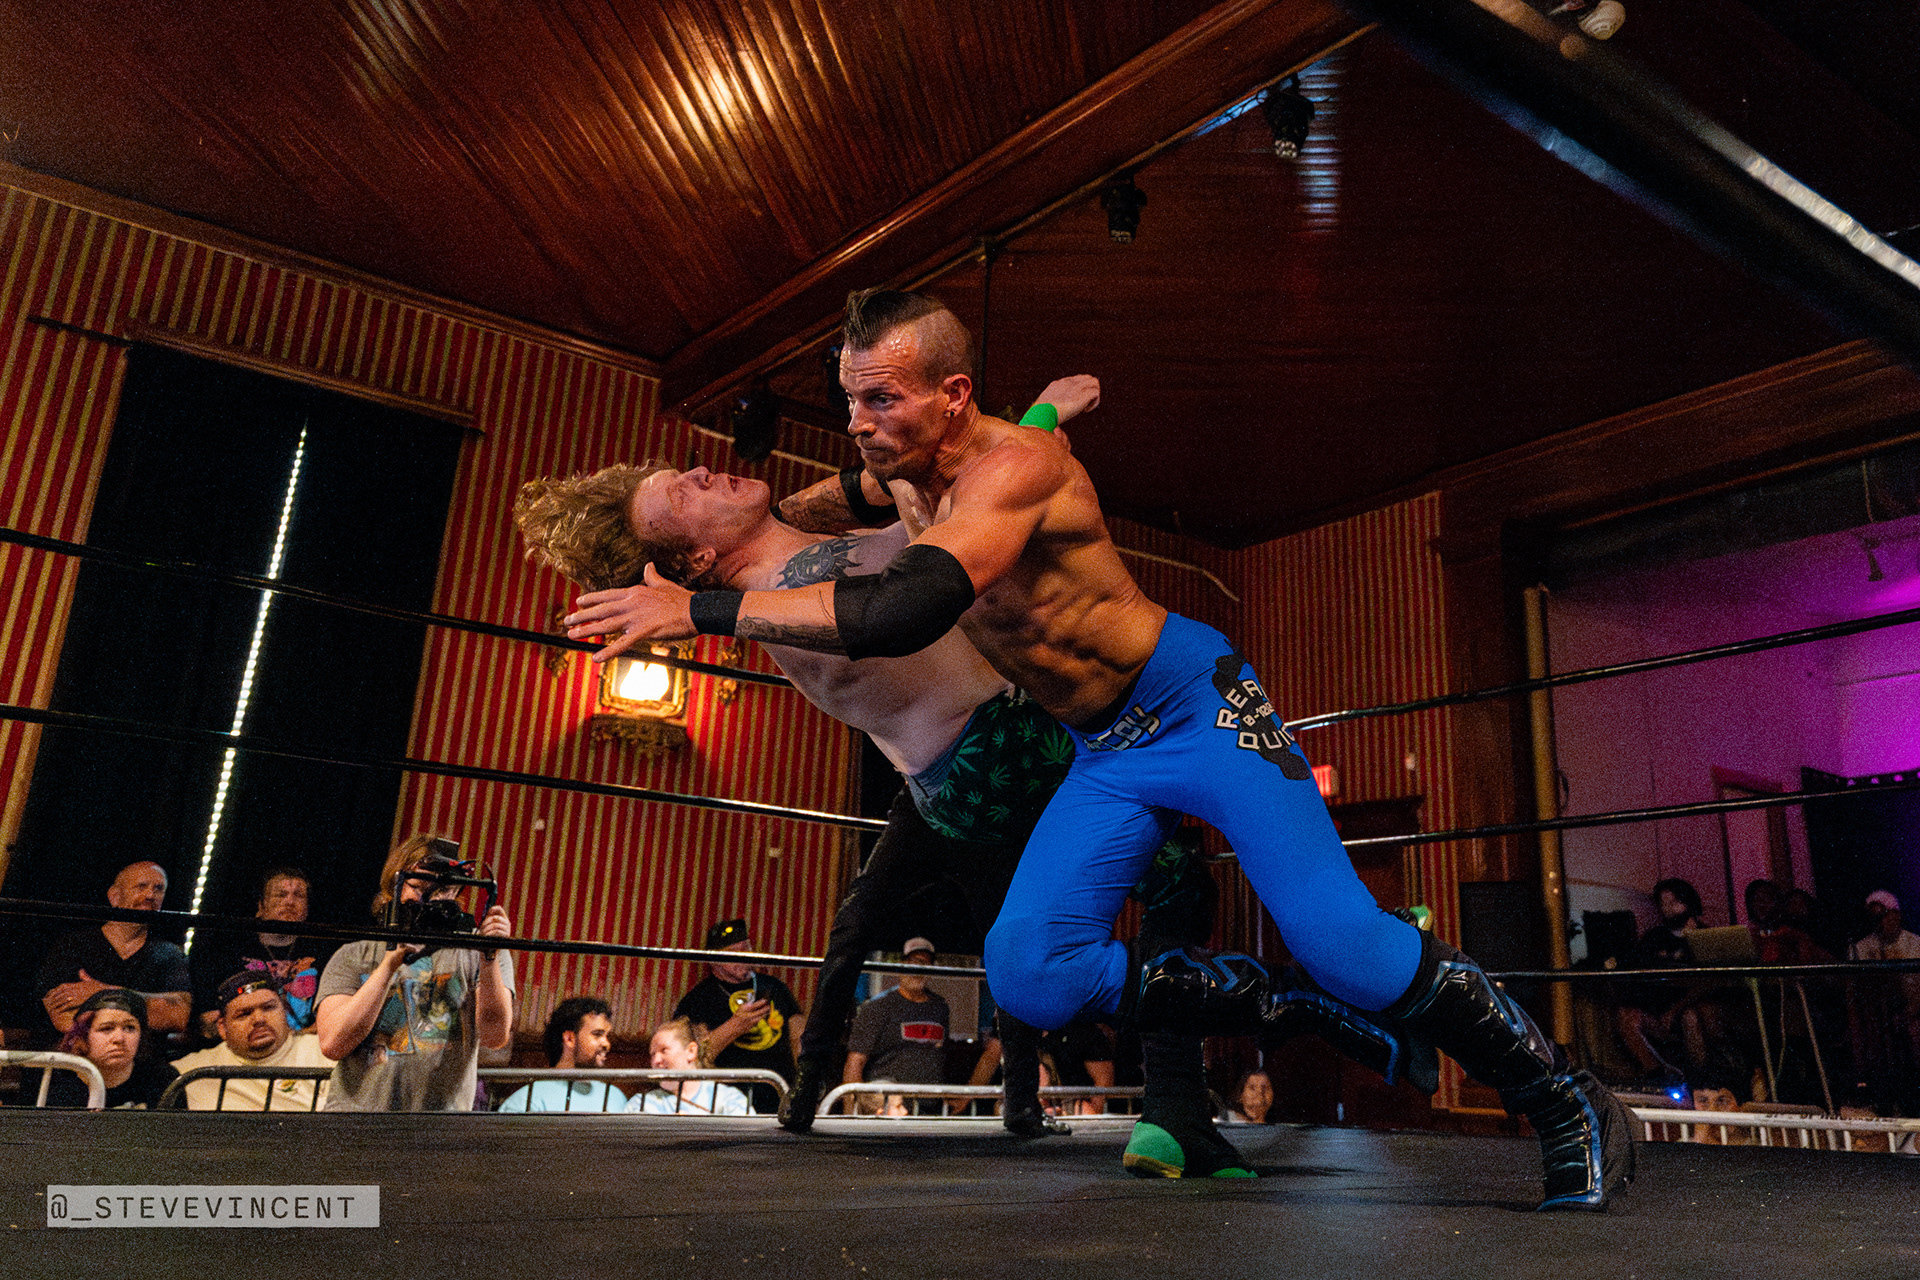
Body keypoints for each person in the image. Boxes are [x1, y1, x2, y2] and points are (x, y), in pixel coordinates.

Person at [564, 288, 1630, 1208]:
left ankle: (1564, 1097)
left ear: (951, 396)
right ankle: (1262, 1021)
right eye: (851, 399)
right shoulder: (904, 466)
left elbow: (909, 605)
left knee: (1344, 940)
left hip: (1193, 704)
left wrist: (698, 610)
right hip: (1105, 748)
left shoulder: (1011, 471)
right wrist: (1035, 409)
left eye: (880, 399)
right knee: (1029, 972)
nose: (859, 423)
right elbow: (833, 512)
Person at [521, 388, 1429, 1174]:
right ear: (690, 560)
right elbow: (893, 602)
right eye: (682, 495)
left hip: (965, 767)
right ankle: (1257, 1050)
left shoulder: (797, 533)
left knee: (1110, 917)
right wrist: (701, 611)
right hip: (994, 750)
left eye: (685, 472)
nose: (703, 473)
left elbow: (932, 487)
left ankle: (1187, 1099)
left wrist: (1033, 422)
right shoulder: (782, 584)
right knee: (1165, 889)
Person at [313, 834, 515, 1111]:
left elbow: (494, 1037)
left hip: (438, 1125)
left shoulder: (477, 953)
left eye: (443, 890)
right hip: (354, 1121)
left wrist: (489, 957)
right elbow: (333, 1043)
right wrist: (389, 964)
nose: (430, 900)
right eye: (419, 887)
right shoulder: (355, 954)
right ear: (394, 887)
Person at [36, 860, 191, 1037]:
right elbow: (62, 1017)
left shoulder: (170, 955)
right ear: (115, 896)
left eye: (158, 889)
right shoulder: (72, 946)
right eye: (141, 887)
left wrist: (103, 993)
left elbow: (178, 1017)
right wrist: (146, 1007)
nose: (150, 895)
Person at [671, 918, 803, 1114]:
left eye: (746, 948)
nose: (744, 955)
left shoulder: (775, 988)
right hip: (726, 1107)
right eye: (734, 951)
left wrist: (805, 1087)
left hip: (780, 1100)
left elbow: (800, 1037)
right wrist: (735, 1026)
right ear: (714, 960)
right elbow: (690, 1058)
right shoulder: (697, 1000)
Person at [190, 866, 335, 1038]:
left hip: (305, 1044)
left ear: (307, 908)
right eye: (280, 895)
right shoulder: (226, 951)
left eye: (299, 895)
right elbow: (209, 1021)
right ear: (261, 906)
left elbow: (333, 1018)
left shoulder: (324, 953)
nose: (290, 902)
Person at [172, 972, 335, 1110]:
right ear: (222, 1028)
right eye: (244, 1014)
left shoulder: (325, 1052)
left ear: (285, 1012)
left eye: (268, 1008)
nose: (259, 1019)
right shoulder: (189, 1072)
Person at [842, 937, 949, 1110]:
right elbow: (855, 1063)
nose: (918, 969)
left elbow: (940, 1058)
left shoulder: (940, 1008)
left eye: (925, 964)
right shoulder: (878, 1007)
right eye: (915, 962)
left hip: (929, 1109)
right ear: (901, 965)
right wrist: (852, 1113)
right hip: (888, 1109)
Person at [43, 988, 178, 1109]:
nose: (119, 1038)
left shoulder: (162, 1079)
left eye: (130, 1028)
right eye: (106, 1028)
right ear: (83, 1036)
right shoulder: (53, 1077)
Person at [497, 996, 625, 1113]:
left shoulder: (615, 1097)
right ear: (569, 1038)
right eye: (597, 1034)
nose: (606, 1044)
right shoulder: (527, 1102)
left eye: (607, 1036)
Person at [626, 1016, 753, 1115]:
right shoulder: (642, 1103)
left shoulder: (728, 1099)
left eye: (664, 1050)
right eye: (653, 1054)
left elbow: (748, 1137)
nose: (655, 1061)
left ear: (691, 1051)